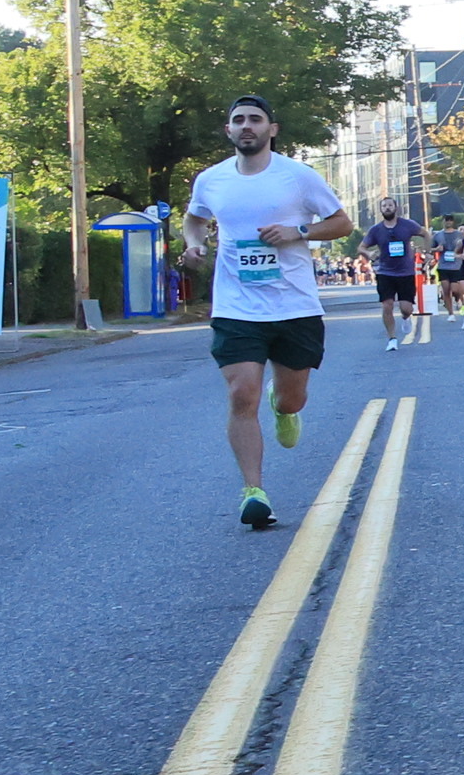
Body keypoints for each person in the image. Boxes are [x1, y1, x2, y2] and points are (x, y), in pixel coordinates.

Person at [179, 96, 353, 530]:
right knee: (242, 395)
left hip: (294, 305)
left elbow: (342, 223)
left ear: (271, 129)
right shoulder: (212, 180)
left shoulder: (298, 177)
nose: (247, 126)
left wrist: (298, 231)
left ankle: (284, 407)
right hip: (236, 306)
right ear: (228, 130)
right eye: (238, 120)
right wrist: (194, 244)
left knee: (292, 397)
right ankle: (253, 492)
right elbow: (194, 219)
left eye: (255, 120)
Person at [365, 202, 429, 349]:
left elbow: (425, 234)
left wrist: (427, 252)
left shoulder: (407, 225)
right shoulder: (376, 230)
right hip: (385, 272)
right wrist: (368, 253)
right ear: (380, 210)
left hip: (405, 273)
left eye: (390, 205)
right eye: (384, 206)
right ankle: (392, 338)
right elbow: (362, 247)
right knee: (387, 305)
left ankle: (406, 318)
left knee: (406, 308)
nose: (387, 208)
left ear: (396, 208)